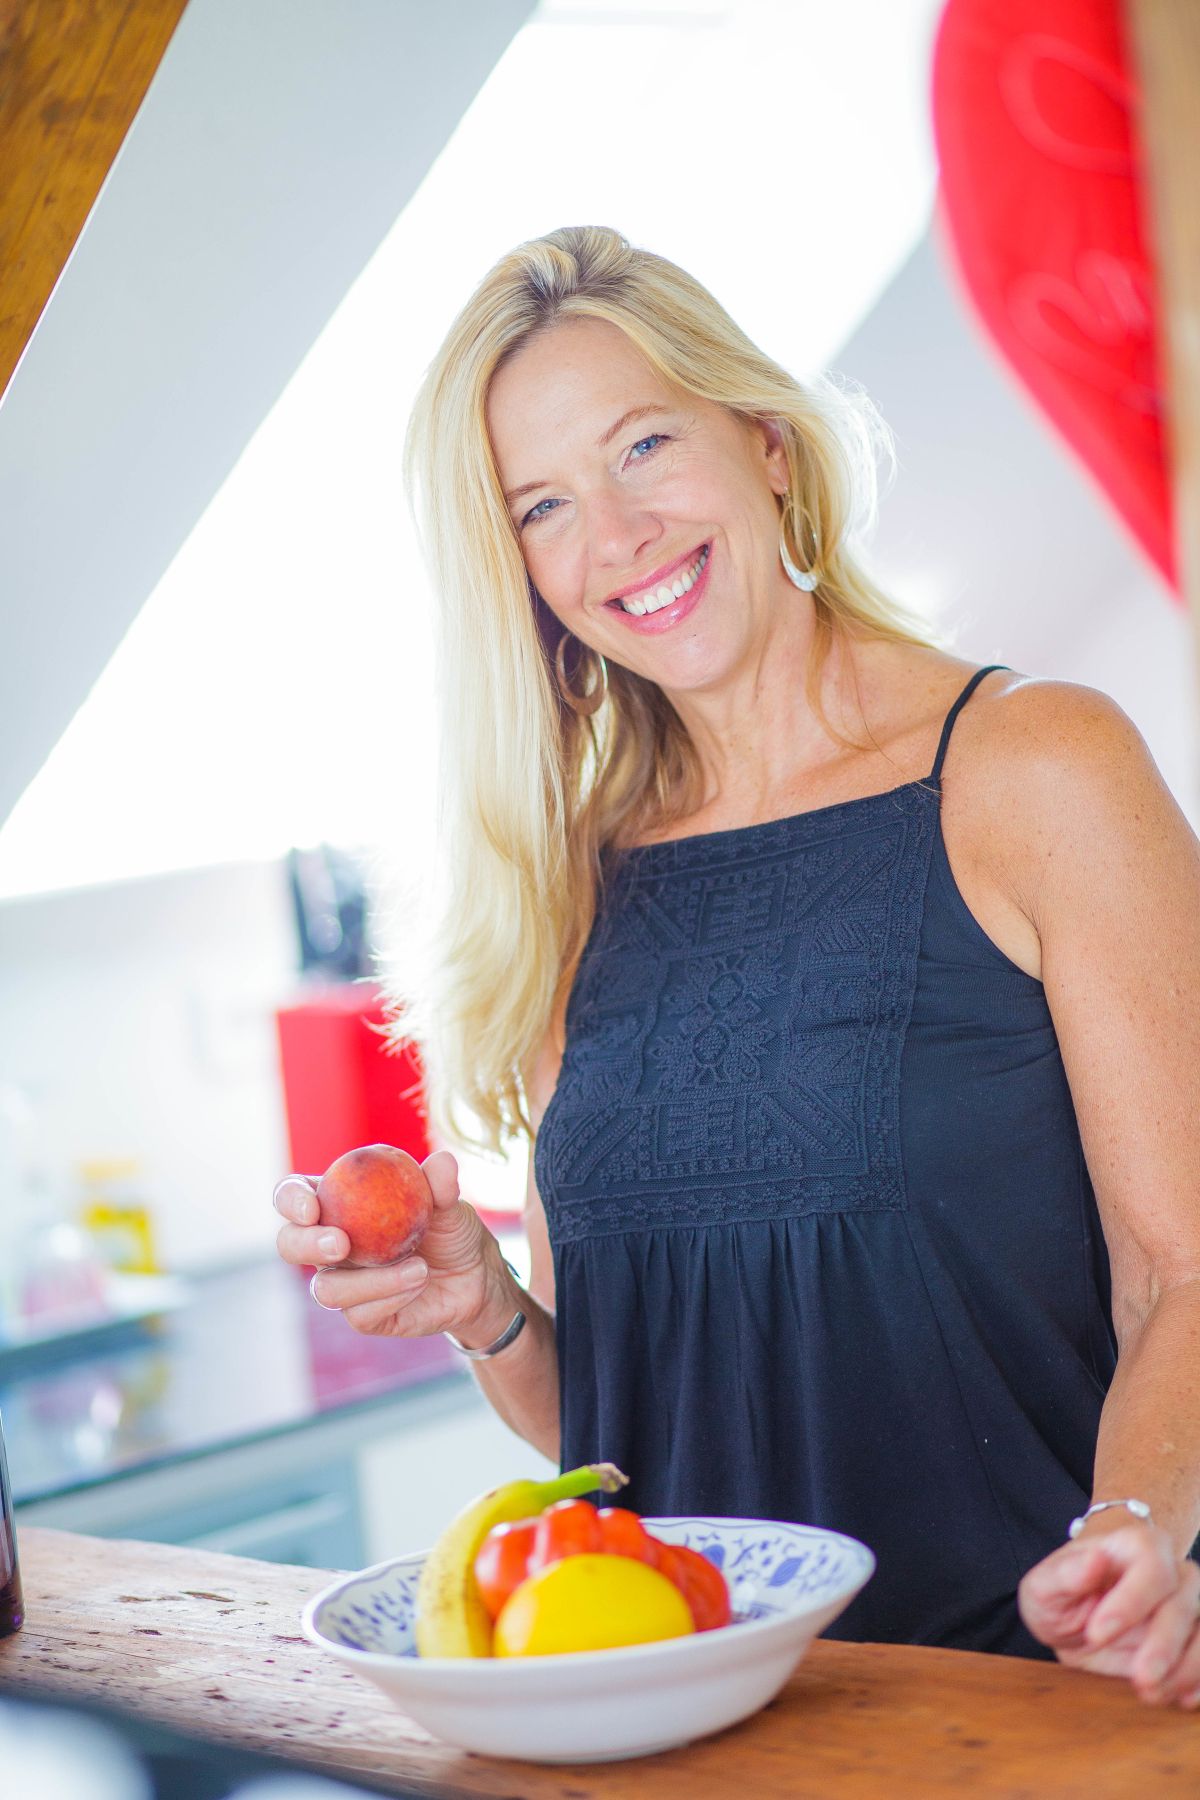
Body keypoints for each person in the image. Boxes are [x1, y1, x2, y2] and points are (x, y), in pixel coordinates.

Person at [274, 226, 1200, 1702]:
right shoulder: (566, 885)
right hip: (681, 1721)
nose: (618, 534)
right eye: (543, 506)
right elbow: (629, 1422)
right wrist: (485, 1309)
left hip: (1031, 1705)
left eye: (644, 444)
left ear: (765, 442)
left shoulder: (1036, 768)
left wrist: (1136, 1528)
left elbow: (1183, 1275)